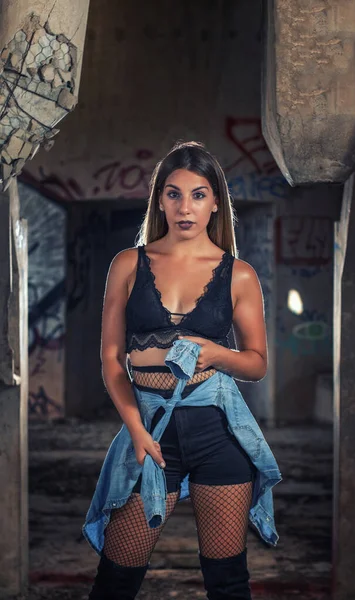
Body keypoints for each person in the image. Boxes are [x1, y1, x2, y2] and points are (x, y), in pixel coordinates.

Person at [85, 141, 281, 599]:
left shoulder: (240, 274)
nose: (185, 207)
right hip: (149, 431)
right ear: (159, 200)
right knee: (114, 580)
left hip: (219, 433)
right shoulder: (128, 264)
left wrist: (214, 355)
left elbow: (256, 364)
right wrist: (135, 428)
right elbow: (112, 358)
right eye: (173, 194)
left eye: (198, 194)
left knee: (227, 581)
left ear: (215, 203)